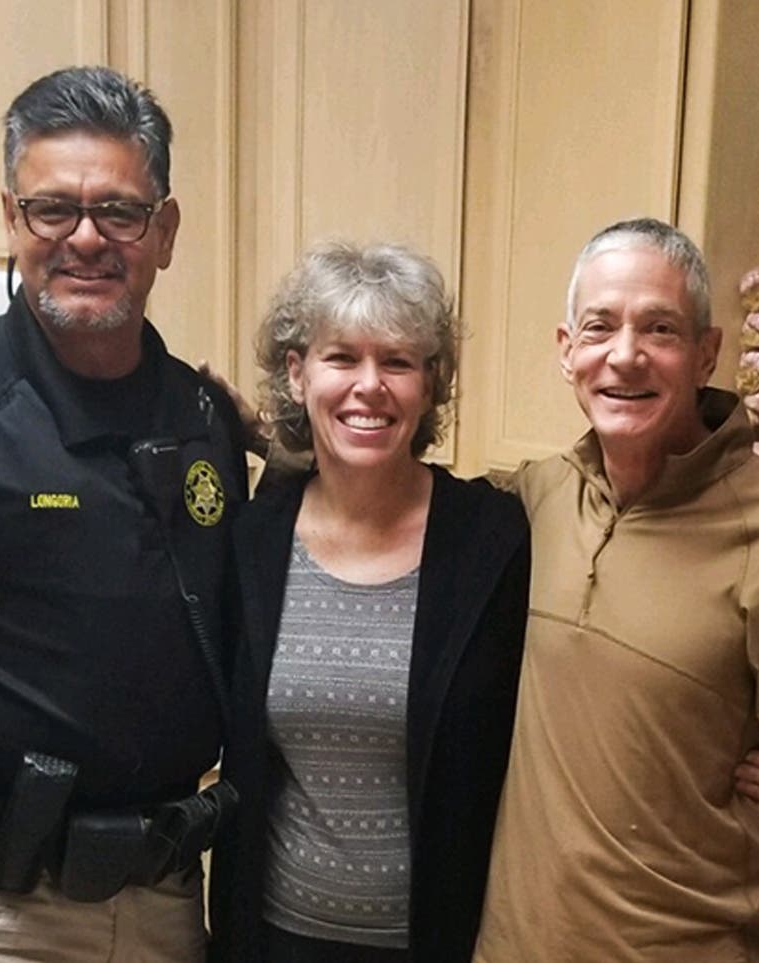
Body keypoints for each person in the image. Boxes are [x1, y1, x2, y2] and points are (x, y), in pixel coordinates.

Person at [473, 218, 759, 962]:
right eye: (600, 326)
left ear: (706, 354)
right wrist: (277, 444)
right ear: (567, 351)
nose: (624, 354)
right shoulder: (535, 501)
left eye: (659, 328)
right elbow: (398, 512)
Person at [0, 66, 247, 961]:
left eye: (121, 212)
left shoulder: (205, 420)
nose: (86, 239)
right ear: (11, 219)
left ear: (166, 230)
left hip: (172, 896)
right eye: (53, 209)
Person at [207, 241, 532, 963]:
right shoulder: (254, 540)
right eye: (341, 357)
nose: (369, 384)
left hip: (442, 940)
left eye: (397, 360)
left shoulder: (493, 538)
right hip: (274, 936)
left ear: (430, 382)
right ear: (297, 374)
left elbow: (571, 681)